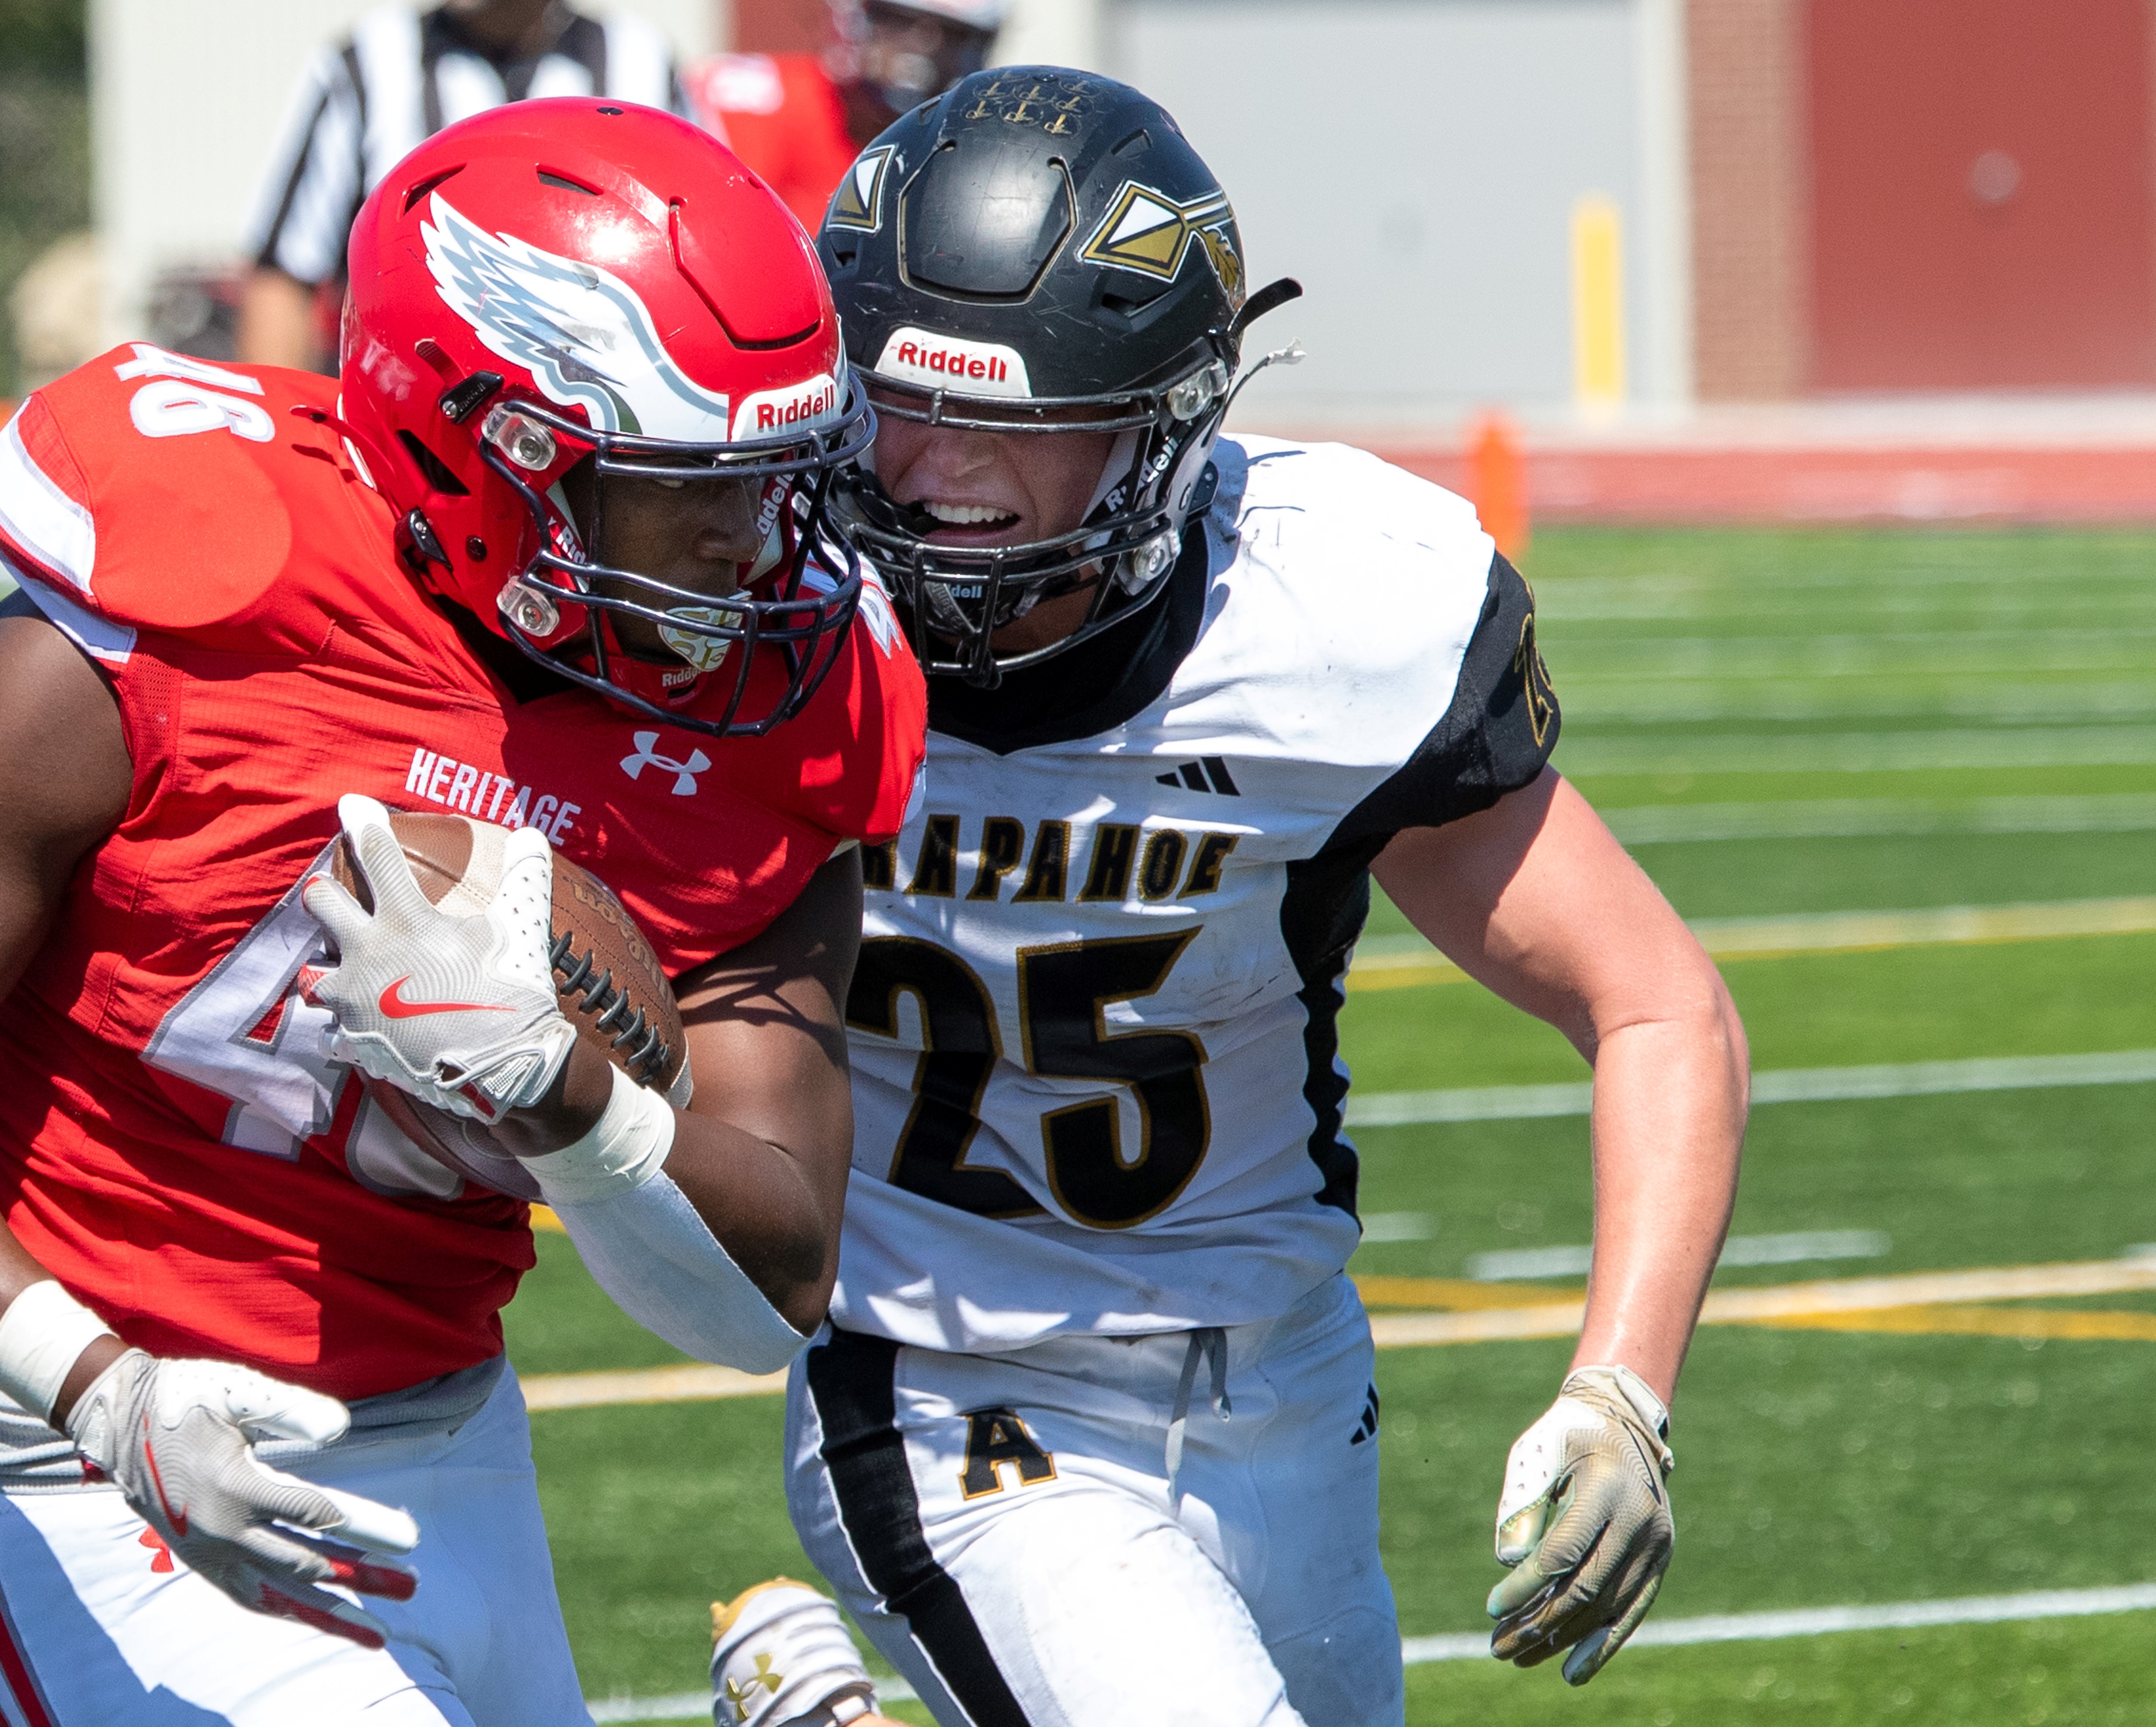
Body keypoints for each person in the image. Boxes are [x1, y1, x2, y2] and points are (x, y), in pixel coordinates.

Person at [0, 99, 923, 1727]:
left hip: (453, 1437)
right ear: (498, 449)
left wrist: (561, 1094)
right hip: (97, 1451)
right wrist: (98, 1386)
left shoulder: (776, 713)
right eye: (682, 488)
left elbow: (750, 1295)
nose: (752, 545)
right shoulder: (188, 609)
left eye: (776, 477)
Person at [705, 68, 1745, 1727]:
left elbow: (1652, 1003)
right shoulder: (753, 607)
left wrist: (1623, 1388)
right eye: (897, 403)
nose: (932, 475)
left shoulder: (1330, 613)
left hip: (1287, 1374)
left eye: (1019, 426)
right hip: (952, 1386)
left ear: (1166, 417)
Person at [240, 0, 686, 370]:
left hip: (614, 433)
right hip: (411, 433)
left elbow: (709, 253)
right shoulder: (368, 61)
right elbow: (284, 275)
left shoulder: (640, 61)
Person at [685, 0, 1000, 225]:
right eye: (898, 22)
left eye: (950, 36)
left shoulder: (977, 149)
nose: (920, 51)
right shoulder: (770, 100)